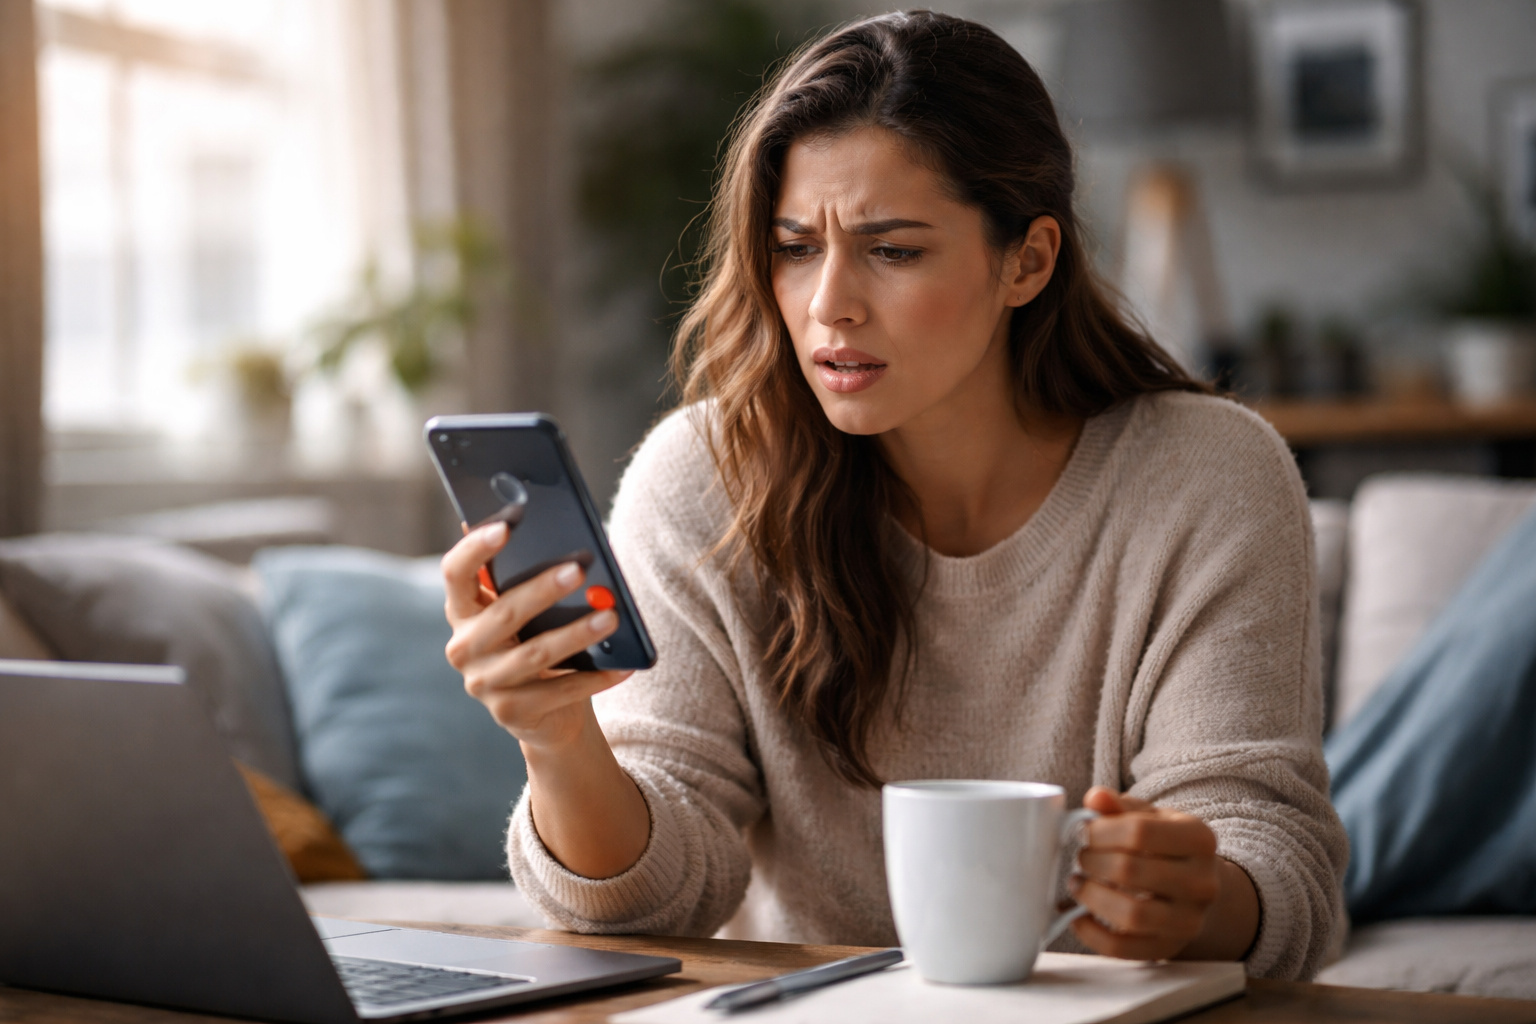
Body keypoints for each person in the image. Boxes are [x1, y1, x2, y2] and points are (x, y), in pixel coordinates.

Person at [441, 12, 1346, 981]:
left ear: (1027, 262)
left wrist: (1192, 898)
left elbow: (1271, 859)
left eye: (893, 250)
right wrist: (558, 736)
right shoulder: (705, 477)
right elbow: (660, 891)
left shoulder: (1206, 476)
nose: (829, 301)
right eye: (794, 247)